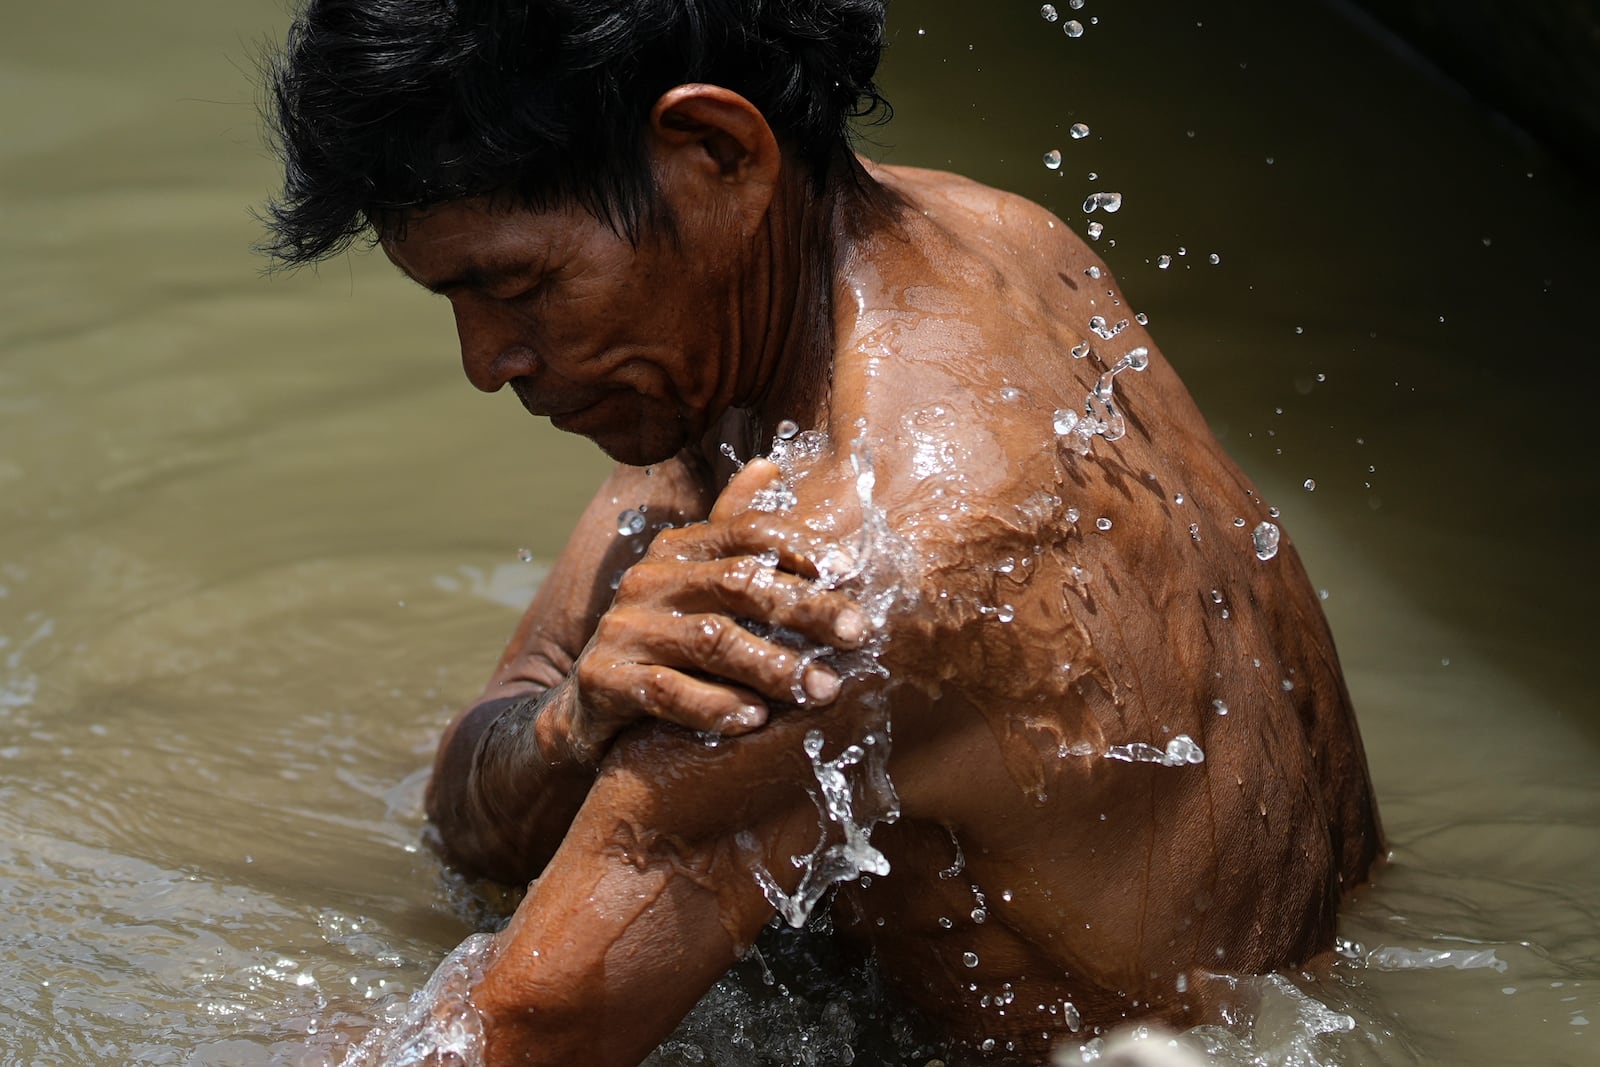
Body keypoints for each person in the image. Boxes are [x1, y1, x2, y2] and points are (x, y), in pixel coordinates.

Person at [262, 1, 1383, 1063]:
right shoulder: (984, 237)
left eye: (518, 283)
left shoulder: (835, 574)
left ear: (717, 153)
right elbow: (500, 764)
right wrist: (571, 720)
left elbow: (516, 1038)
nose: (484, 361)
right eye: (451, 300)